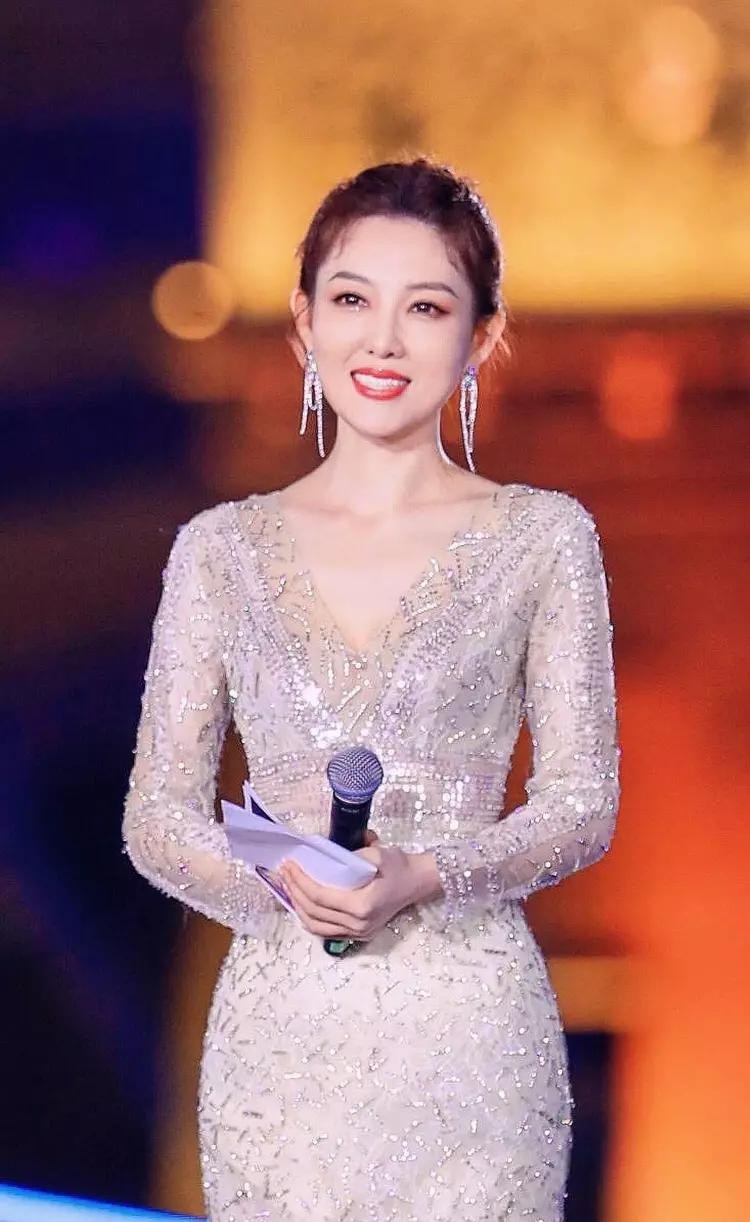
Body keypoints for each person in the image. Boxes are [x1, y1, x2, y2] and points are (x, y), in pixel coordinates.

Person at [122, 158, 620, 1221]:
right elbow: (155, 818)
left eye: (426, 307)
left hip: (470, 1035)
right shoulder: (220, 552)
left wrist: (426, 873)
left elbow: (583, 805)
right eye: (352, 300)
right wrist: (282, 881)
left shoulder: (544, 539)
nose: (382, 341)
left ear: (481, 336)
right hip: (282, 1044)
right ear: (305, 321)